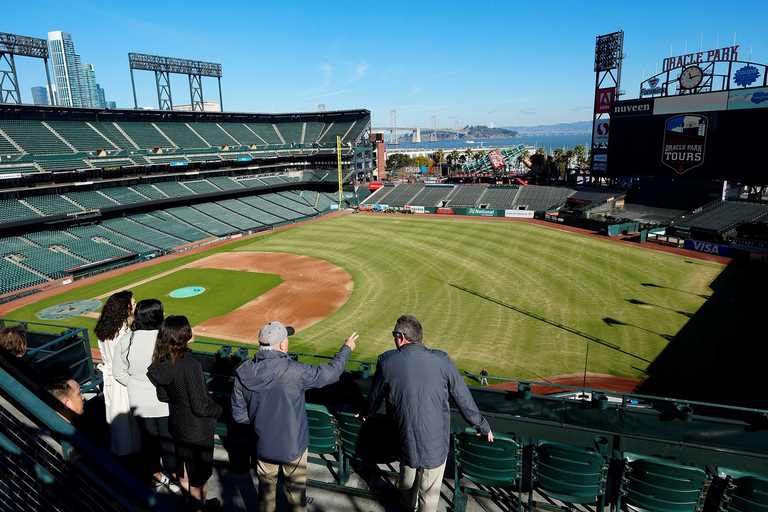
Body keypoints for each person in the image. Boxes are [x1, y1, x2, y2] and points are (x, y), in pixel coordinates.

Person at [361, 315, 493, 512]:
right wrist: (482, 426)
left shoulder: (386, 361)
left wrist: (366, 413)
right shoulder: (442, 360)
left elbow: (374, 398)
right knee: (428, 498)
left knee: (407, 489)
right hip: (434, 445)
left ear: (401, 337)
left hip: (405, 441)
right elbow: (463, 399)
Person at [231, 321, 358, 512]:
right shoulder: (295, 370)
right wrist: (346, 349)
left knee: (266, 497)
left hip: (263, 445)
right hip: (294, 447)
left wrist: (260, 425)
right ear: (282, 345)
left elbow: (239, 415)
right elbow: (331, 373)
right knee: (296, 498)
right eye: (286, 339)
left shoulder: (243, 371)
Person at [148, 316, 223, 512]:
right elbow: (200, 407)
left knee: (185, 474)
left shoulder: (161, 360)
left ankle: (197, 506)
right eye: (189, 327)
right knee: (198, 478)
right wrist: (219, 410)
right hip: (198, 430)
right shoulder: (190, 364)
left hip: (178, 426)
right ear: (183, 335)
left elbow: (163, 396)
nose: (193, 329)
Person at [113, 299, 178, 491]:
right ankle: (174, 477)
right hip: (165, 401)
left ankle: (155, 478)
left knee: (148, 443)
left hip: (139, 402)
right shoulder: (165, 338)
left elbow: (118, 372)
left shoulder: (127, 339)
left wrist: (135, 383)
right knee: (169, 441)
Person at [94, 290, 140, 457]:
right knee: (127, 421)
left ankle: (120, 451)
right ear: (124, 309)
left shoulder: (104, 328)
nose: (135, 307)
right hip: (123, 379)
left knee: (117, 420)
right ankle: (129, 454)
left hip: (112, 379)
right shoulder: (123, 333)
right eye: (133, 305)